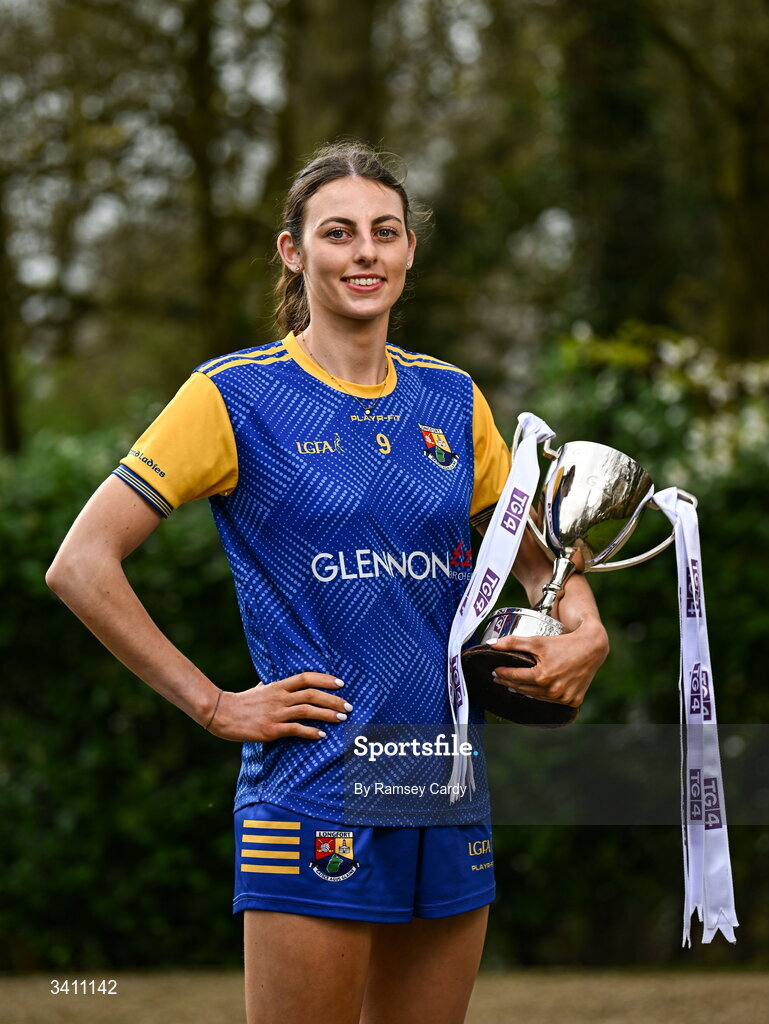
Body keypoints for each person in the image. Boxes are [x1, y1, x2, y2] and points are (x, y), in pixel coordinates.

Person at [46, 142, 609, 1024]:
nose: (364, 253)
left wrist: (585, 630)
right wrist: (212, 704)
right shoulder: (233, 396)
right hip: (312, 779)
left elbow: (538, 554)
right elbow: (80, 563)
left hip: (436, 774)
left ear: (409, 251)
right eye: (338, 233)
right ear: (293, 252)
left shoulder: (453, 402)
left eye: (385, 232)